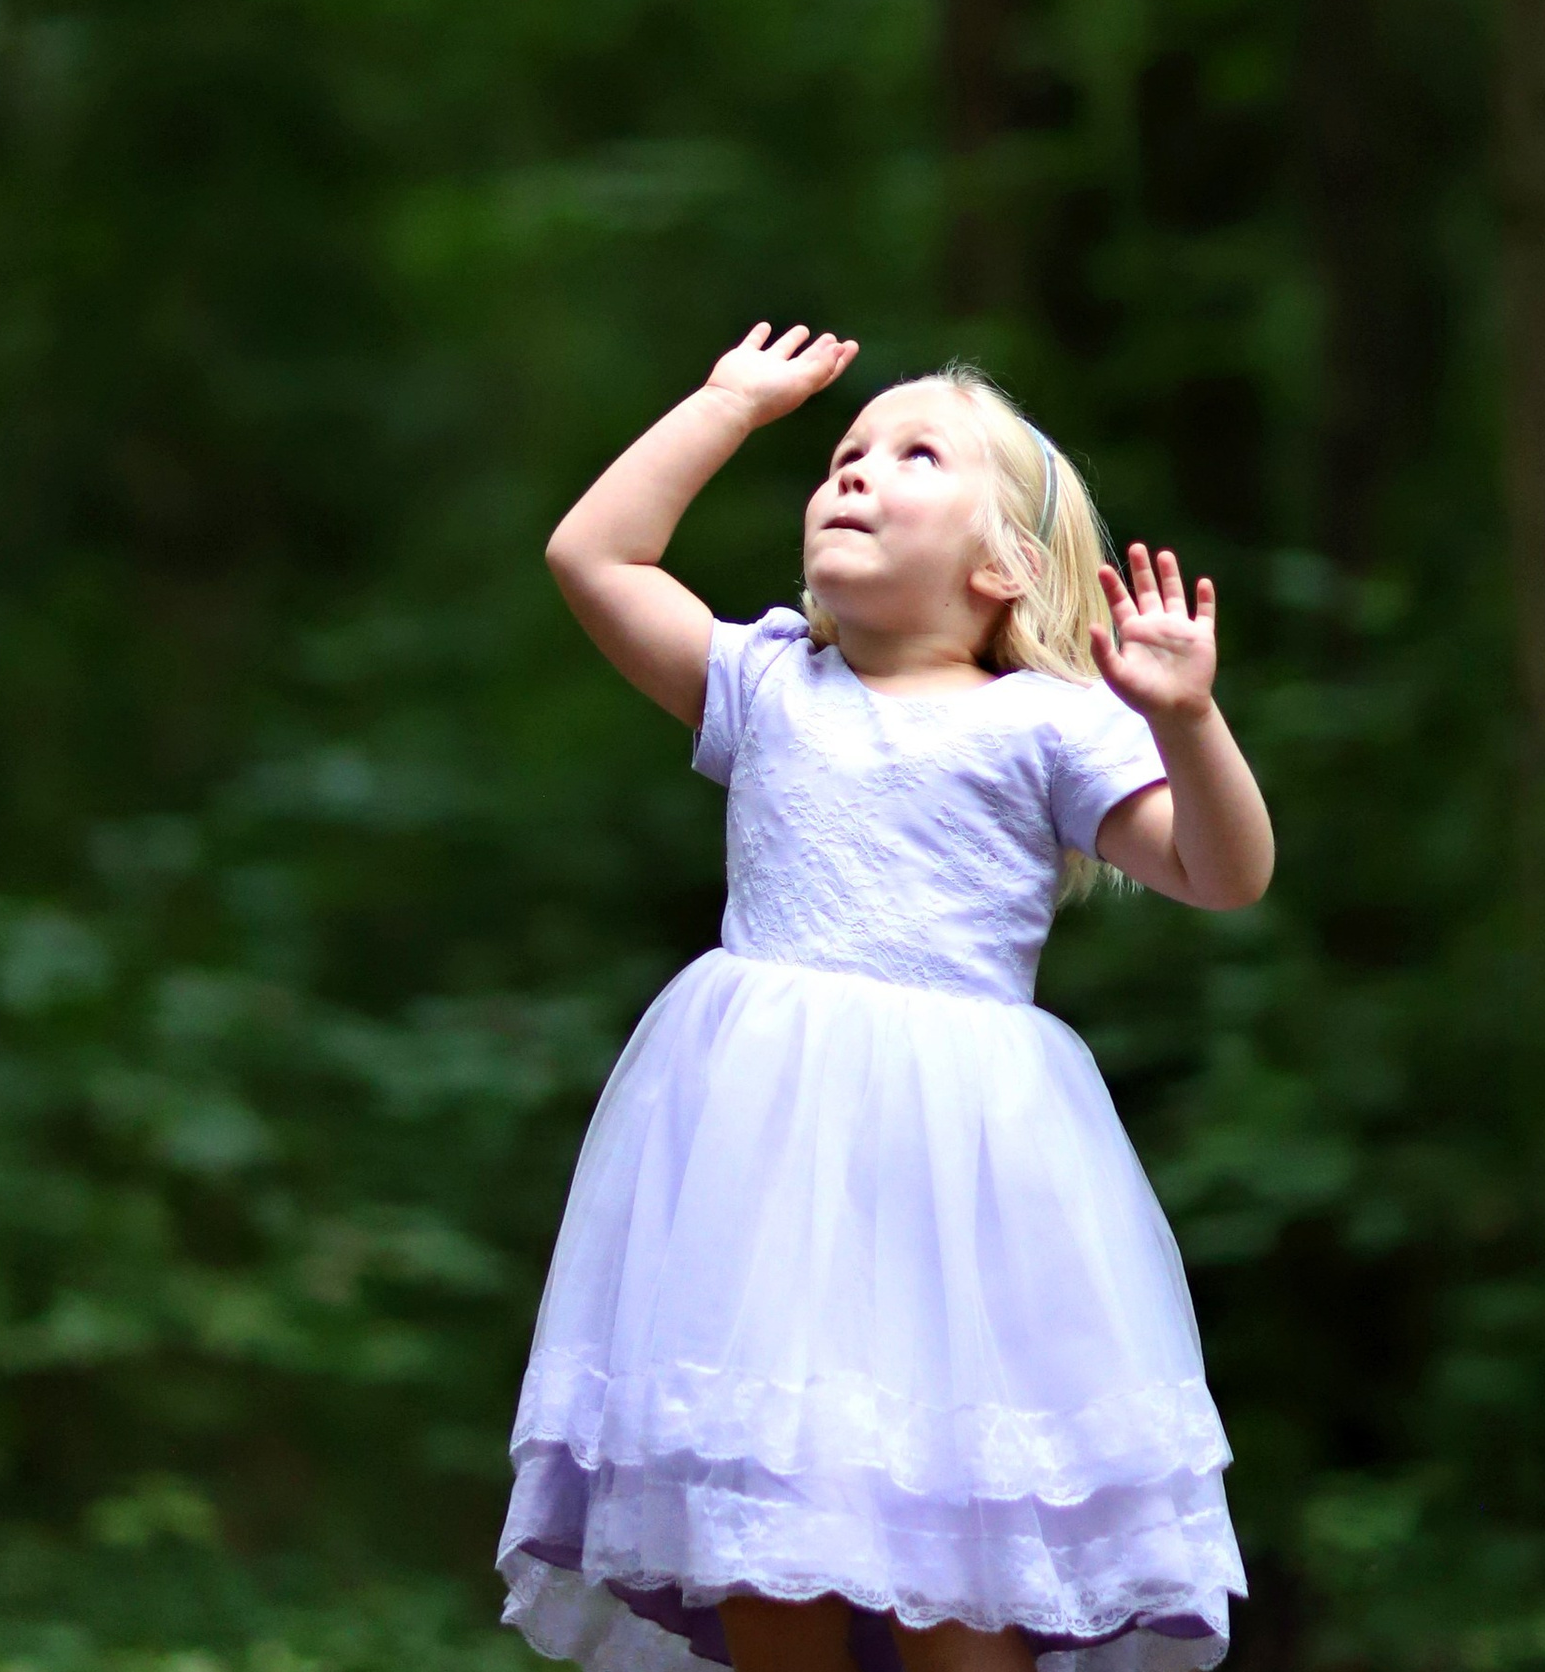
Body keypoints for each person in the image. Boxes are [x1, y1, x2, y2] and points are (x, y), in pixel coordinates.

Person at [499, 324, 1275, 1672]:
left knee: (961, 1566)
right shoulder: (768, 684)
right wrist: (726, 408)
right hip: (759, 1195)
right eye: (846, 455)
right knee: (768, 1545)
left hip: (961, 1200)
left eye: (914, 456)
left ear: (1005, 567)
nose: (854, 473)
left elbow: (1223, 873)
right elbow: (595, 558)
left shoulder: (1045, 723)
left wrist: (1189, 722)